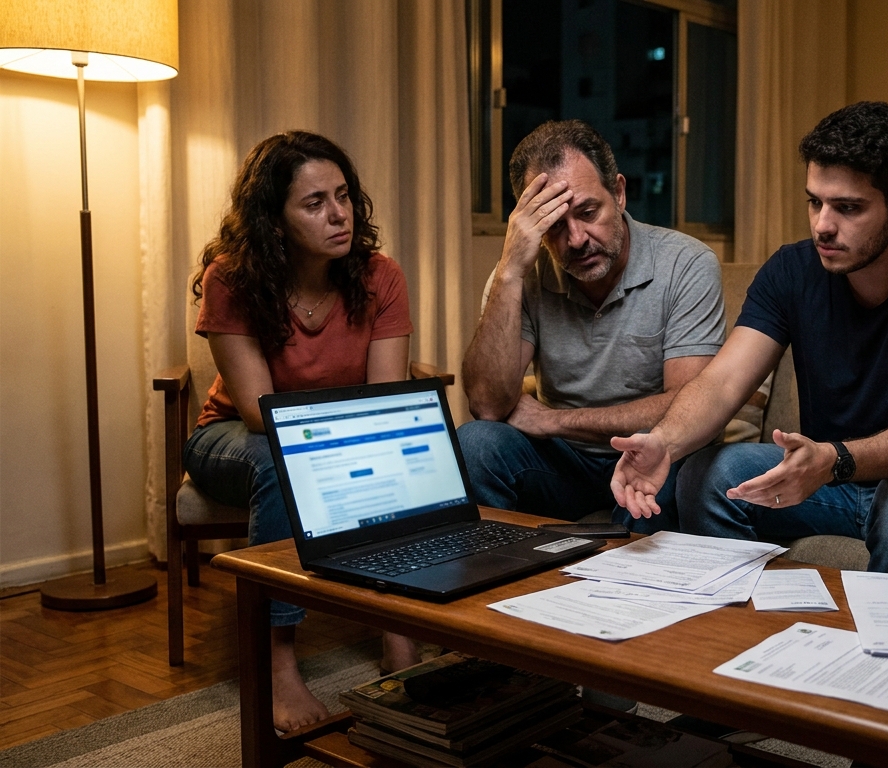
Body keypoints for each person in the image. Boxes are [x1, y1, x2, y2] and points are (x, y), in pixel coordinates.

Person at [611, 101, 888, 572]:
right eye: (815, 202)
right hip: (828, 480)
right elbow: (722, 382)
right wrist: (665, 441)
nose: (823, 225)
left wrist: (833, 459)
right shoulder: (790, 270)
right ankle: (740, 614)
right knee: (704, 474)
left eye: (848, 208)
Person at [183, 131, 419, 732]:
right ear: (273, 220)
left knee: (400, 449)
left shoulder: (380, 276)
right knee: (279, 458)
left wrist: (363, 442)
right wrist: (342, 439)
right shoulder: (231, 278)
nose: (339, 214)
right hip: (234, 440)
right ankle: (277, 664)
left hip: (325, 438)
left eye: (343, 195)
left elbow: (385, 401)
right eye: (314, 203)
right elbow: (259, 412)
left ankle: (401, 635)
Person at [458, 120, 725, 531]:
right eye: (554, 225)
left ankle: (622, 569)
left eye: (587, 212)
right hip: (562, 462)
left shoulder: (686, 264)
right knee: (475, 443)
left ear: (618, 193)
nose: (577, 239)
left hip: (649, 453)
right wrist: (510, 271)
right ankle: (504, 564)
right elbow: (488, 406)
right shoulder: (520, 275)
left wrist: (552, 421)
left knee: (669, 459)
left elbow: (689, 407)